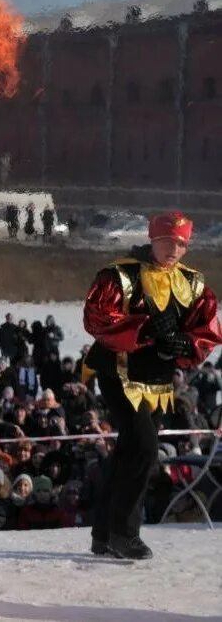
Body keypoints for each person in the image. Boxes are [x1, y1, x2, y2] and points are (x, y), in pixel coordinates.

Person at [82, 212, 221, 560]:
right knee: (144, 447)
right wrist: (144, 329)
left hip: (158, 383)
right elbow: (97, 317)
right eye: (167, 241)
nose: (173, 249)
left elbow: (207, 328)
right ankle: (124, 534)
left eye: (181, 243)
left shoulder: (192, 283)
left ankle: (103, 534)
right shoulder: (120, 274)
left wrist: (185, 344)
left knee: (130, 449)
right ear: (153, 239)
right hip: (119, 374)